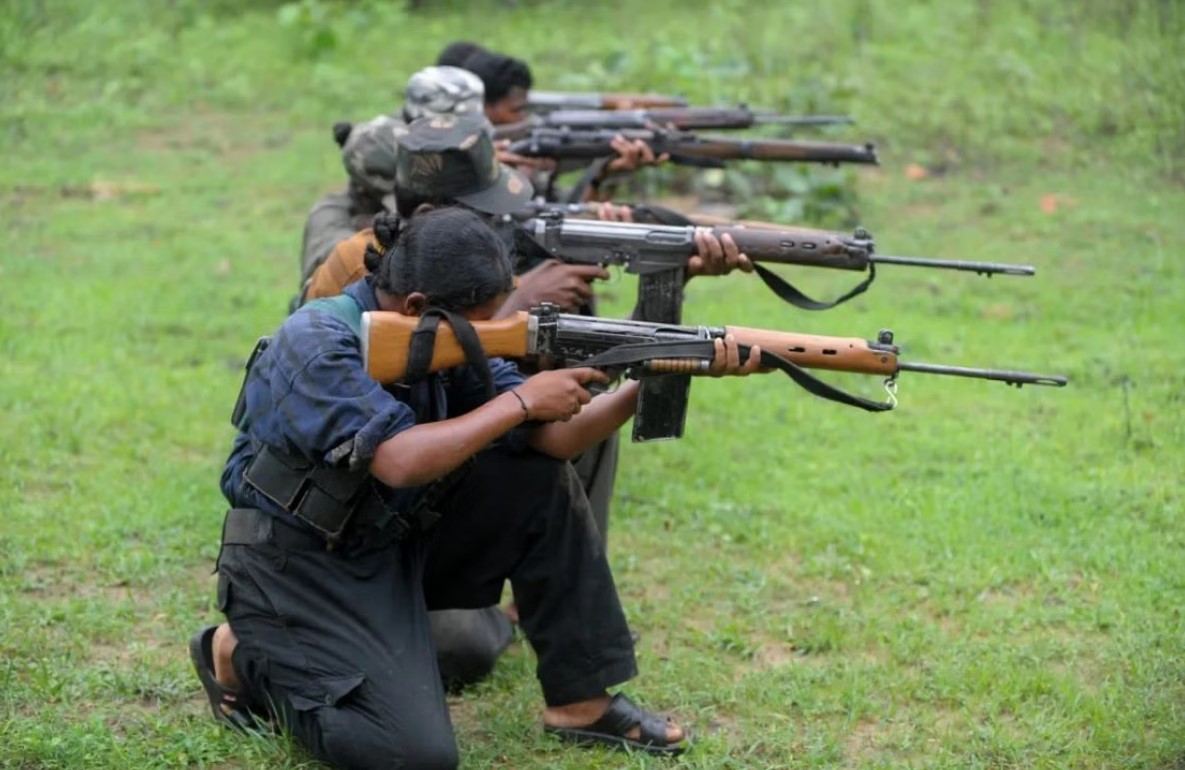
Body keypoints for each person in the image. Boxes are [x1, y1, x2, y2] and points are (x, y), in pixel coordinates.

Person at [189, 206, 764, 769]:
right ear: (417, 306)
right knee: (412, 755)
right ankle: (241, 652)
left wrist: (658, 373)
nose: (492, 334)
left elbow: (556, 441)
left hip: (391, 537)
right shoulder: (316, 340)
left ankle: (580, 702)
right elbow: (397, 460)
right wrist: (520, 402)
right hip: (300, 565)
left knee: (537, 477)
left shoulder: (442, 336)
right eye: (483, 322)